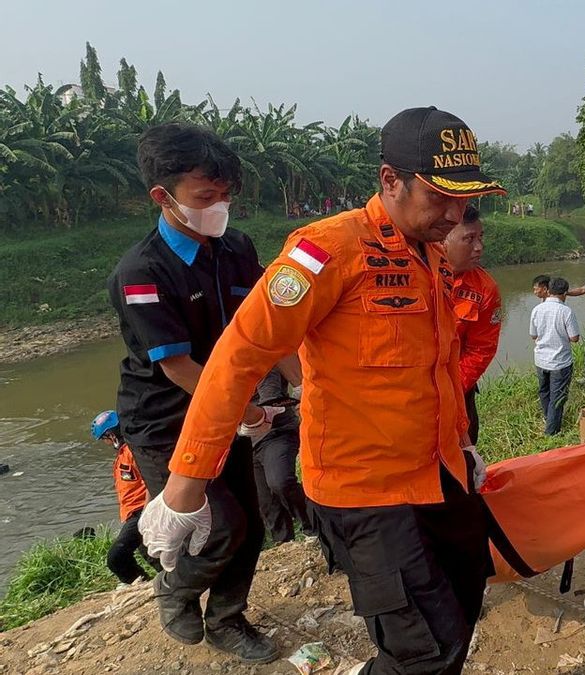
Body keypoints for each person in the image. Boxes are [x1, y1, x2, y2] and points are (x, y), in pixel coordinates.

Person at [138, 107, 504, 675]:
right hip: (367, 491)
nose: (455, 215)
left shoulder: (430, 255)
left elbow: (436, 365)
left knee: (461, 610)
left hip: (438, 472)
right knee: (425, 652)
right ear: (390, 180)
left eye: (466, 200)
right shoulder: (326, 250)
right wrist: (184, 490)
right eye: (440, 197)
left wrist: (462, 442)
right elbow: (238, 356)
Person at [108, 122, 292, 663]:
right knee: (220, 524)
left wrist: (309, 384)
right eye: (205, 196)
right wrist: (250, 408)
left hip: (226, 407)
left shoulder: (234, 248)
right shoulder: (142, 272)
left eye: (226, 194)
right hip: (165, 418)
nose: (220, 206)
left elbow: (268, 323)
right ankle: (175, 588)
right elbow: (180, 368)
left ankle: (227, 620)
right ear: (163, 198)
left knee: (250, 523)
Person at [447, 205, 503, 443]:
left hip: (458, 391)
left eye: (480, 237)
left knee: (462, 463)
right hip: (406, 390)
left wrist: (450, 389)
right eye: (469, 239)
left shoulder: (484, 289)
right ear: (442, 239)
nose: (479, 247)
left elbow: (481, 349)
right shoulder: (416, 274)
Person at [92, 410, 159, 584]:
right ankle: (158, 583)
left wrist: (146, 512)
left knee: (116, 557)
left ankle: (139, 583)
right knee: (152, 556)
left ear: (111, 435)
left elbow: (151, 480)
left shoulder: (133, 452)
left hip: (141, 511)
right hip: (133, 513)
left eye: (104, 439)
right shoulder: (123, 454)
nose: (106, 443)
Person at [250, 369, 313, 543]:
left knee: (280, 482)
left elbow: (271, 400)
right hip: (244, 441)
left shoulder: (262, 360)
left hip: (276, 432)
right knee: (267, 504)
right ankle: (284, 544)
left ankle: (313, 525)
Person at [530, 277, 580, 435]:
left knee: (544, 391)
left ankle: (549, 418)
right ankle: (551, 432)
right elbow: (574, 338)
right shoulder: (566, 311)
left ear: (549, 290)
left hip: (541, 360)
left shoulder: (537, 309)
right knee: (557, 397)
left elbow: (533, 335)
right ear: (565, 293)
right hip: (560, 362)